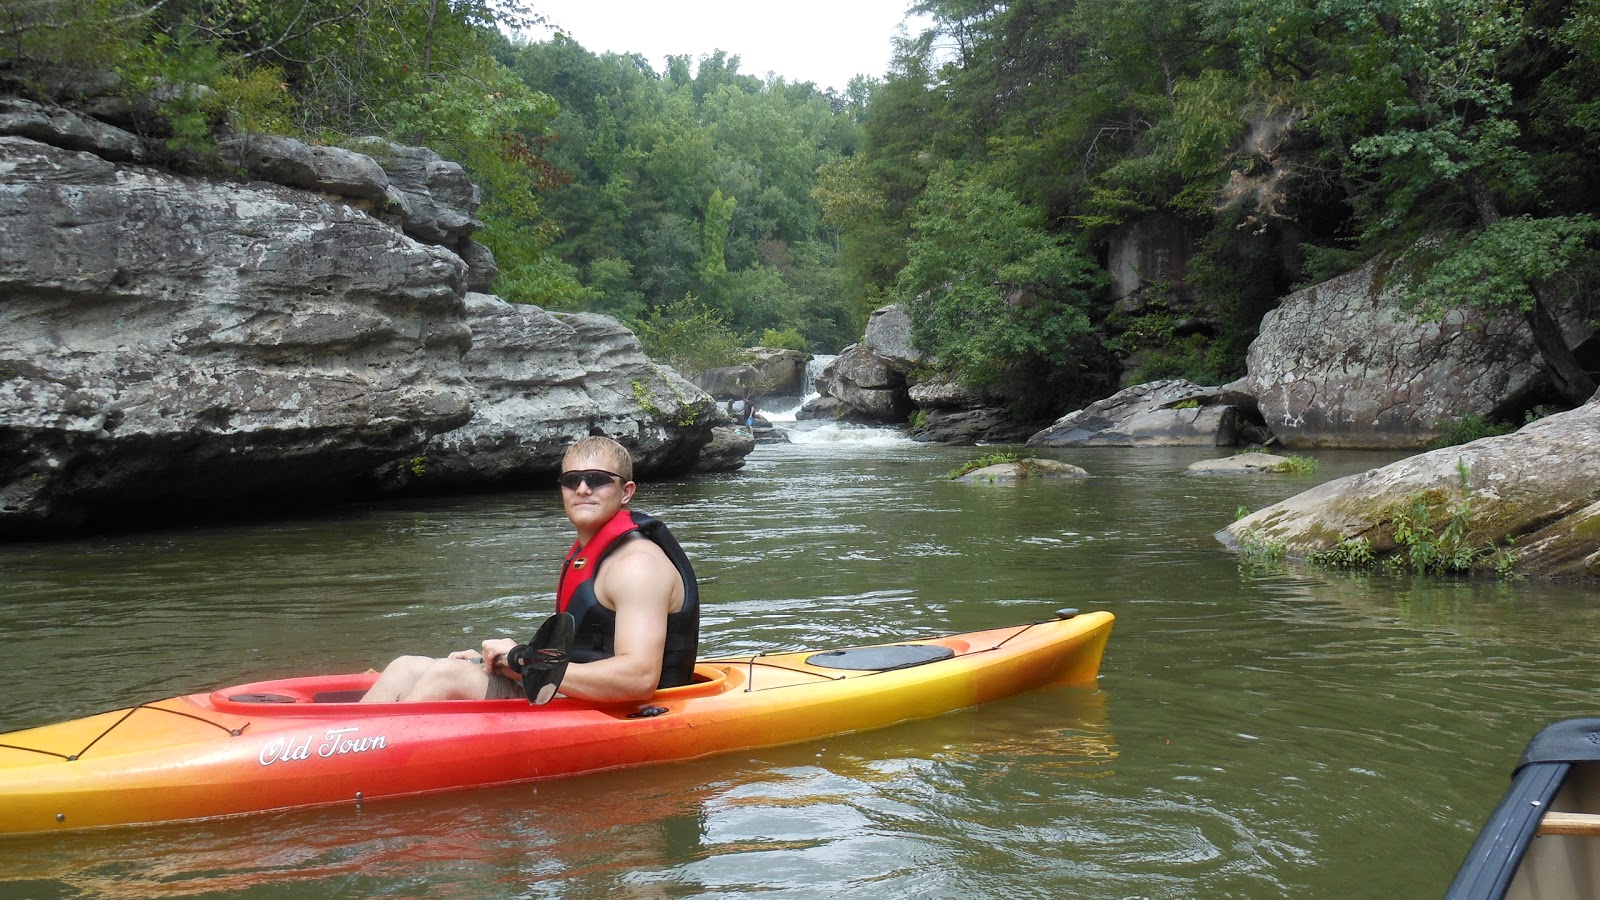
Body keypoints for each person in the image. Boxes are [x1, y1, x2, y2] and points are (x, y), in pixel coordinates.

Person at [362, 435, 700, 703]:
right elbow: (584, 654)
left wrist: (522, 661)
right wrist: (503, 662)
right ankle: (337, 750)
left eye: (597, 479)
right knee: (405, 667)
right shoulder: (589, 554)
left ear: (625, 492)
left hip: (629, 710)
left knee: (447, 676)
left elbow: (638, 679)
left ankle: (363, 774)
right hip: (576, 694)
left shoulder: (637, 565)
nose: (582, 489)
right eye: (572, 480)